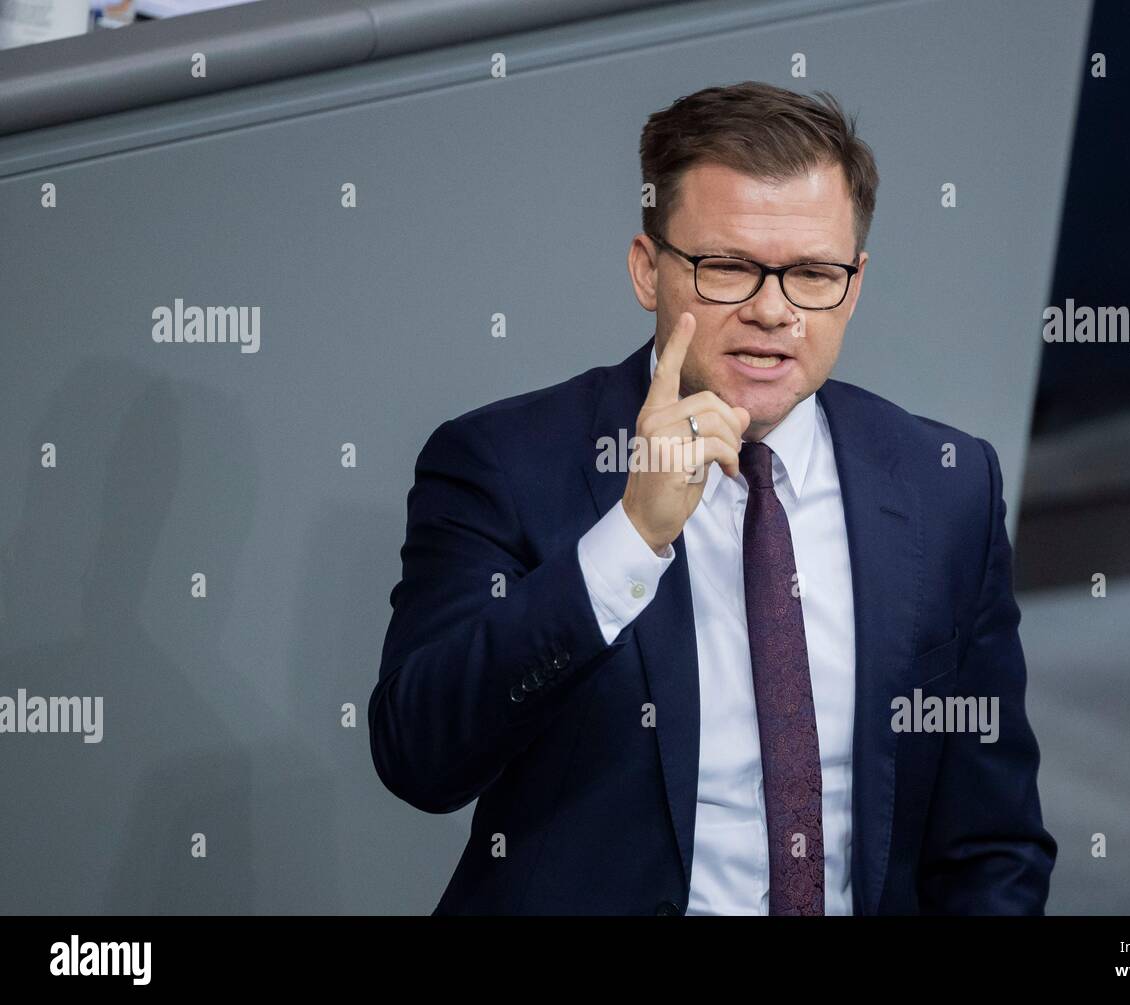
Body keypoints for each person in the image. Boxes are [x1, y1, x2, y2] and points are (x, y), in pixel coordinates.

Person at [368, 80, 1056, 915]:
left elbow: (993, 841)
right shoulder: (504, 464)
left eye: (811, 273)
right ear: (647, 270)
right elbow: (421, 757)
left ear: (856, 283)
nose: (773, 310)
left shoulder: (948, 484)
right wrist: (628, 539)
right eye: (728, 267)